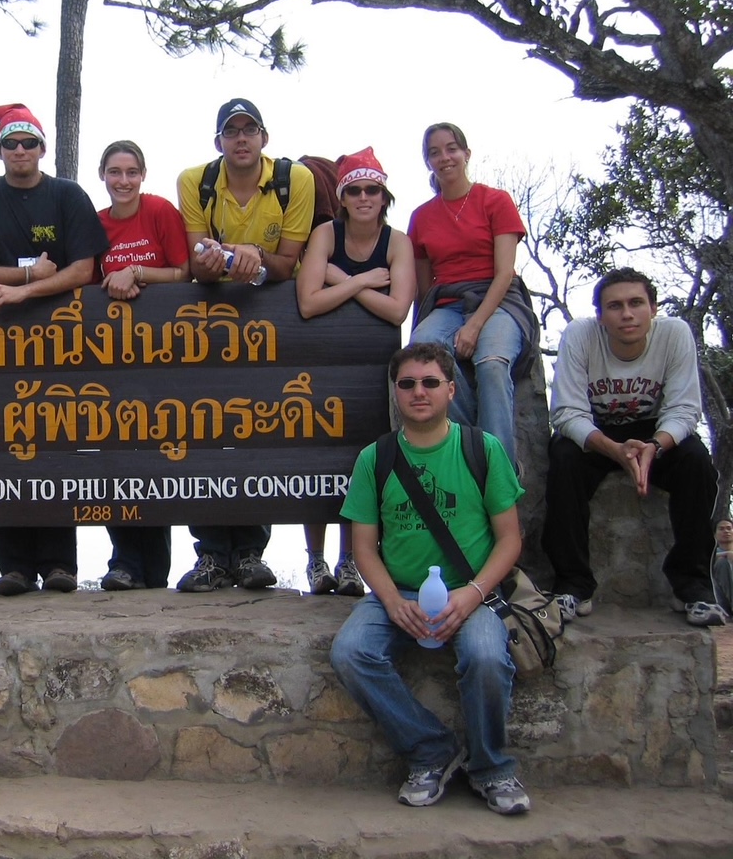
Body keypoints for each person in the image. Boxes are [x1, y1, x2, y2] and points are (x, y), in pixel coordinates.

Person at [330, 343, 531, 816]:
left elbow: (509, 540)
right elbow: (364, 548)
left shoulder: (482, 449)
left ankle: (491, 768)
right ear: (396, 392)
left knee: (486, 657)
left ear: (450, 390)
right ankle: (431, 750)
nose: (418, 392)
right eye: (407, 384)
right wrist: (392, 602)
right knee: (351, 652)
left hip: (472, 591)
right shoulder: (375, 458)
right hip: (398, 591)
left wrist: (474, 594)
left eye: (430, 382)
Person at [0, 103, 109, 595]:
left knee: (60, 441)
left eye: (29, 142)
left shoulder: (67, 195)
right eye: (11, 143)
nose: (20, 150)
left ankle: (61, 564)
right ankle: (15, 567)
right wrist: (27, 274)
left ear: (43, 148)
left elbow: (83, 269)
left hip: (63, 339)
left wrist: (24, 292)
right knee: (4, 443)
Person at [174, 98, 315, 592]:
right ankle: (211, 555)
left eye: (249, 130)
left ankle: (251, 553)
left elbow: (288, 263)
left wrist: (251, 255)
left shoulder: (295, 180)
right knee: (204, 429)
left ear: (264, 138)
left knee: (260, 429)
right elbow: (197, 261)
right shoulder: (195, 181)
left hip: (269, 321)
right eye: (231, 131)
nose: (240, 139)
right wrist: (225, 259)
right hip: (208, 321)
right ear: (218, 142)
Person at [541, 268, 723, 626]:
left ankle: (693, 586)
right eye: (615, 306)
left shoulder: (674, 334)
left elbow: (684, 409)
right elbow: (566, 412)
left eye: (636, 303)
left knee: (696, 462)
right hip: (596, 433)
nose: (627, 314)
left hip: (654, 432)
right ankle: (573, 584)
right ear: (600, 316)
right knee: (563, 459)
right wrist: (613, 449)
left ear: (653, 309)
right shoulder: (580, 335)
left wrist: (654, 446)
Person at [296, 148, 415, 598]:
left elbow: (398, 310)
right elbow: (308, 303)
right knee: (316, 457)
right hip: (321, 357)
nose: (364, 197)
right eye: (355, 190)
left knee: (359, 461)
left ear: (384, 197)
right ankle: (316, 560)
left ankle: (350, 560)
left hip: (372, 365)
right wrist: (364, 281)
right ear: (342, 198)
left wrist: (341, 281)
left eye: (372, 190)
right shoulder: (326, 233)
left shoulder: (397, 242)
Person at [408, 123, 538, 466]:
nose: (444, 157)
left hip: (498, 299)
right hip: (448, 302)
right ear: (427, 161)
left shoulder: (495, 201)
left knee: (491, 364)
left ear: (466, 154)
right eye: (434, 152)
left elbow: (505, 272)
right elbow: (424, 287)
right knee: (424, 353)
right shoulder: (421, 216)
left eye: (451, 149)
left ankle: (499, 470)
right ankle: (471, 449)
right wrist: (421, 329)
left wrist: (475, 325)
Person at [93, 139, 190, 589]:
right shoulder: (97, 224)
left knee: (162, 454)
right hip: (114, 358)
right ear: (103, 176)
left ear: (143, 175)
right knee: (116, 453)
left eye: (131, 172)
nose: (123, 180)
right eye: (115, 172)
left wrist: (135, 273)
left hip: (167, 353)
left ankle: (155, 572)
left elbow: (183, 272)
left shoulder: (160, 211)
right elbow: (90, 281)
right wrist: (112, 283)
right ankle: (124, 561)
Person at [713, 518, 733, 616]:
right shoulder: (711, 554)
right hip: (720, 599)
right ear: (715, 534)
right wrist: (726, 554)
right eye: (721, 529)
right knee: (722, 563)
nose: (726, 531)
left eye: (729, 528)